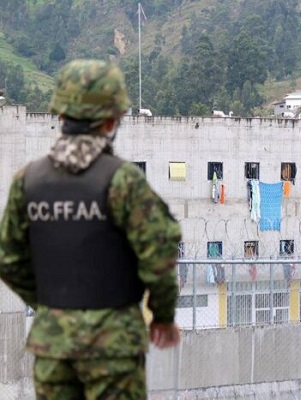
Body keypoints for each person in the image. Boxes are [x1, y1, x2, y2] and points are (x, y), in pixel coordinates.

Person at [0, 59, 182, 399]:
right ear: (111, 121)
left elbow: (8, 259)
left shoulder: (28, 181)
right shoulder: (123, 180)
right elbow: (159, 254)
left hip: (52, 346)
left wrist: (51, 305)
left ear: (61, 116)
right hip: (113, 346)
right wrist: (163, 317)